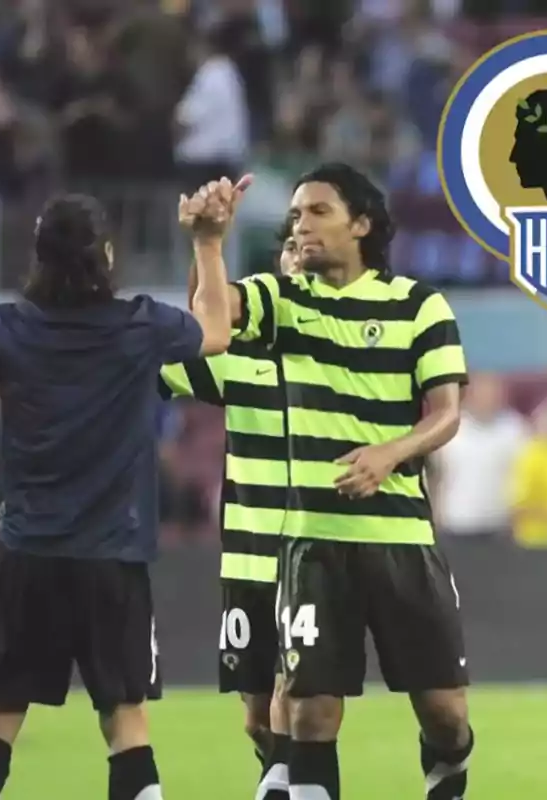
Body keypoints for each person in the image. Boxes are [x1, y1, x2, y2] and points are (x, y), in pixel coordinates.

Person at [198, 162, 472, 800]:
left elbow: (448, 413)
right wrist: (208, 242)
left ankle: (450, 764)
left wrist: (390, 453)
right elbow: (213, 328)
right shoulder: (283, 299)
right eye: (296, 215)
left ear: (363, 224)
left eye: (318, 211)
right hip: (312, 543)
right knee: (308, 716)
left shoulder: (417, 304)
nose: (302, 225)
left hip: (401, 538)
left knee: (445, 713)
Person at [0, 182, 238, 800]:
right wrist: (208, 242)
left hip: (23, 553)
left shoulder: (7, 330)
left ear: (38, 257)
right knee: (125, 721)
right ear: (106, 256)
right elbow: (216, 331)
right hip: (110, 559)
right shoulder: (139, 325)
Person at [158, 222, 301, 800]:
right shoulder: (239, 356)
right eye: (288, 249)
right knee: (255, 717)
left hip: (310, 556)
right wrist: (204, 248)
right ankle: (282, 776)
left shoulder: (346, 358)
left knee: (300, 700)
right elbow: (196, 333)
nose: (298, 257)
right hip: (246, 560)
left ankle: (286, 783)